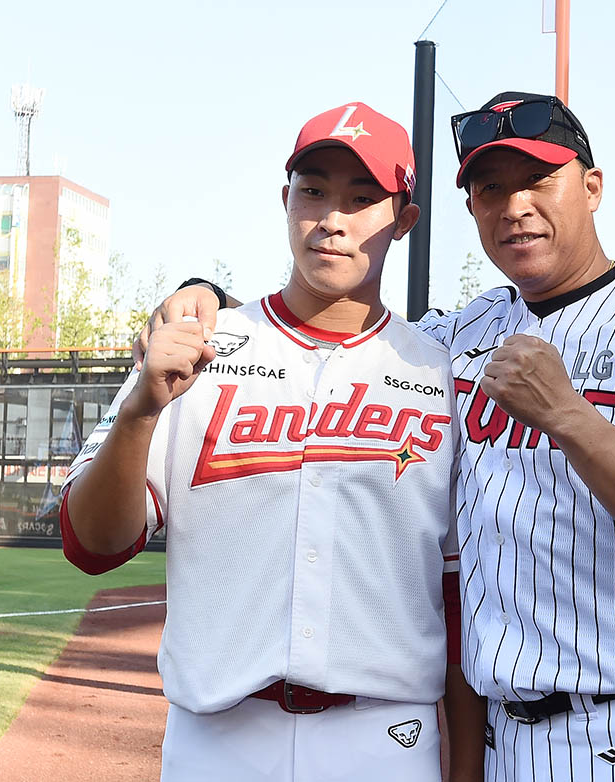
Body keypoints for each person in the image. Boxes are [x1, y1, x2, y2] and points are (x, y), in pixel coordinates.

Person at [141, 90, 615, 781]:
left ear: (591, 188)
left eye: (537, 180)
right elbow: (341, 334)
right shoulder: (455, 339)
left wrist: (571, 418)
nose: (513, 206)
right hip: (508, 741)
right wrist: (209, 299)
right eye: (489, 189)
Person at [64, 103, 480, 781]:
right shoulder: (198, 344)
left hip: (384, 738)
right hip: (218, 736)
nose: (332, 219)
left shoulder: (439, 372)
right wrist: (142, 408)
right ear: (286, 200)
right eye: (313, 191)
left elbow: (464, 600)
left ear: (404, 217)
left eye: (362, 197)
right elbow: (91, 545)